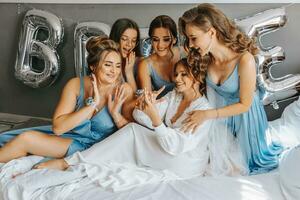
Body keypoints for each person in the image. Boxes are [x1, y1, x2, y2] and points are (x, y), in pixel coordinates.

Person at [34, 56, 246, 191]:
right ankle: (74, 163)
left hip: (185, 163)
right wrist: (147, 106)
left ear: (197, 79)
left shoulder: (203, 109)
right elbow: (142, 119)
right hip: (167, 151)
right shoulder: (175, 97)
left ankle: (70, 163)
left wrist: (155, 118)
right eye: (176, 74)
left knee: (133, 133)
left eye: (184, 75)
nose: (178, 79)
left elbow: (176, 145)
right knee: (133, 131)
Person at [178, 3, 283, 174]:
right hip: (221, 121)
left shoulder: (244, 60)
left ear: (211, 32)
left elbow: (245, 105)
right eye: (188, 39)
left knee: (244, 165)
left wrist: (206, 115)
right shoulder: (205, 59)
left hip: (245, 119)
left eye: (193, 38)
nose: (190, 44)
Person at [0, 36, 133, 163]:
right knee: (24, 138)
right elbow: (58, 128)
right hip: (71, 140)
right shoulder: (75, 84)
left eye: (117, 65)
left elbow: (132, 134)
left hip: (99, 149)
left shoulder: (124, 90)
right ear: (93, 66)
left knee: (25, 140)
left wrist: (115, 115)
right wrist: (91, 106)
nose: (114, 71)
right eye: (108, 65)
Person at [138, 15, 182, 98]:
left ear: (175, 40)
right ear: (151, 40)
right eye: (155, 39)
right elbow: (147, 100)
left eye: (166, 39)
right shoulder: (145, 65)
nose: (160, 45)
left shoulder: (185, 54)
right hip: (160, 107)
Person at [109, 18, 141, 92]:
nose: (129, 44)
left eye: (133, 41)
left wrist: (129, 72)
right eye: (124, 39)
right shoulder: (105, 62)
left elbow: (135, 99)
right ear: (115, 39)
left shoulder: (140, 63)